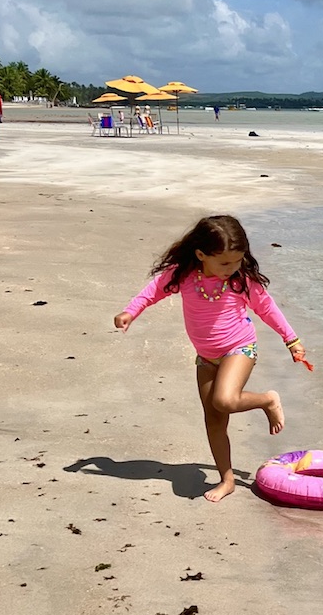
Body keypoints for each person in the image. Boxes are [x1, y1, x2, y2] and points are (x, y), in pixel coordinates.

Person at [114, 215, 306, 503]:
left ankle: (267, 400)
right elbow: (152, 292)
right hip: (206, 357)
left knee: (225, 400)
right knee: (214, 421)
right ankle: (227, 479)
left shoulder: (241, 281)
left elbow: (267, 309)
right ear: (201, 255)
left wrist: (291, 340)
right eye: (225, 263)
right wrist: (130, 312)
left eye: (238, 261)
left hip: (240, 348)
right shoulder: (184, 276)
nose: (232, 268)